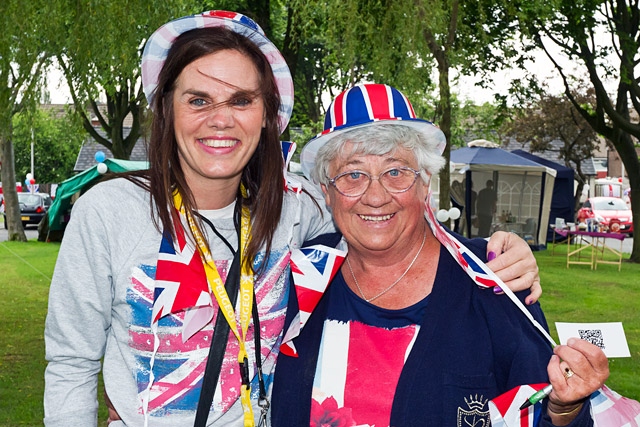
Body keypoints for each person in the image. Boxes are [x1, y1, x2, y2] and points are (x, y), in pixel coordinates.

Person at [43, 12, 541, 427]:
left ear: (266, 116)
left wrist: (492, 250)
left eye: (241, 100)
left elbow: (388, 207)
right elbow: (71, 364)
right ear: (167, 110)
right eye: (198, 99)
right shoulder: (108, 213)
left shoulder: (297, 209)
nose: (221, 118)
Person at [271, 84, 609, 427]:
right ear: (327, 192)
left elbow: (541, 408)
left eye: (395, 172)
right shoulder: (297, 279)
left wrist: (564, 409)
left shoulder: (492, 277)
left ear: (425, 182)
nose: (375, 196)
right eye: (353, 174)